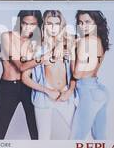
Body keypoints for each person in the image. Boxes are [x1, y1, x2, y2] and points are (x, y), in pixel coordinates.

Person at [22, 8, 76, 141]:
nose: (53, 28)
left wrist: (70, 91)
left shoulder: (69, 43)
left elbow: (75, 73)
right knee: (43, 138)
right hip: (44, 96)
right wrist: (47, 91)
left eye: (57, 24)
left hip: (64, 94)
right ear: (44, 25)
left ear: (61, 26)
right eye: (49, 24)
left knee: (78, 135)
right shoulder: (35, 47)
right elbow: (24, 77)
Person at [0, 10, 42, 140]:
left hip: (29, 86)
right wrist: (42, 58)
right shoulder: (7, 36)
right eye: (25, 23)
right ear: (19, 22)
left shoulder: (36, 42)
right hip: (10, 86)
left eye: (32, 24)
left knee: (36, 131)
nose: (27, 27)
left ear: (38, 25)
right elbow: (21, 66)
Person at [72, 9, 110, 141]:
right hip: (99, 90)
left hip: (87, 91)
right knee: (100, 139)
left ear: (96, 22)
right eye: (80, 22)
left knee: (75, 139)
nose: (83, 26)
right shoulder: (100, 40)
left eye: (88, 22)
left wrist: (72, 51)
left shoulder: (85, 41)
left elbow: (77, 74)